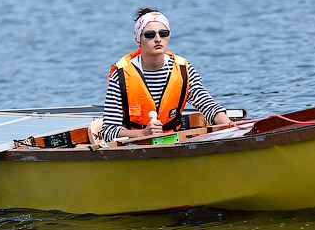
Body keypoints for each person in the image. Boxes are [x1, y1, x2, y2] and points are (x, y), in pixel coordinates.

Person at [100, 8, 233, 144]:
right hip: (134, 144)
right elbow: (109, 131)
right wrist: (143, 133)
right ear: (138, 40)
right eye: (150, 35)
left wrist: (231, 127)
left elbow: (208, 106)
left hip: (174, 141)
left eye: (163, 33)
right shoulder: (121, 74)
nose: (158, 39)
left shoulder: (183, 70)